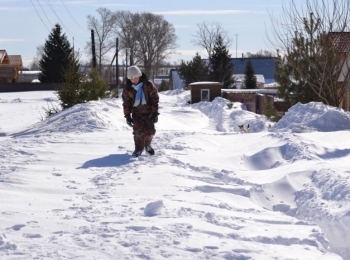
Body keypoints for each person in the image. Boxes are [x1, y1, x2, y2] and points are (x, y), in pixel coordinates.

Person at [122, 65, 159, 157]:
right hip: (136, 114)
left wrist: (154, 112)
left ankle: (147, 145)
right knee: (138, 132)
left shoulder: (148, 85)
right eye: (131, 78)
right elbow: (126, 103)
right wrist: (127, 116)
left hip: (149, 113)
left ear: (139, 75)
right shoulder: (128, 89)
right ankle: (138, 148)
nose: (134, 80)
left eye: (135, 78)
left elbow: (154, 98)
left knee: (150, 132)